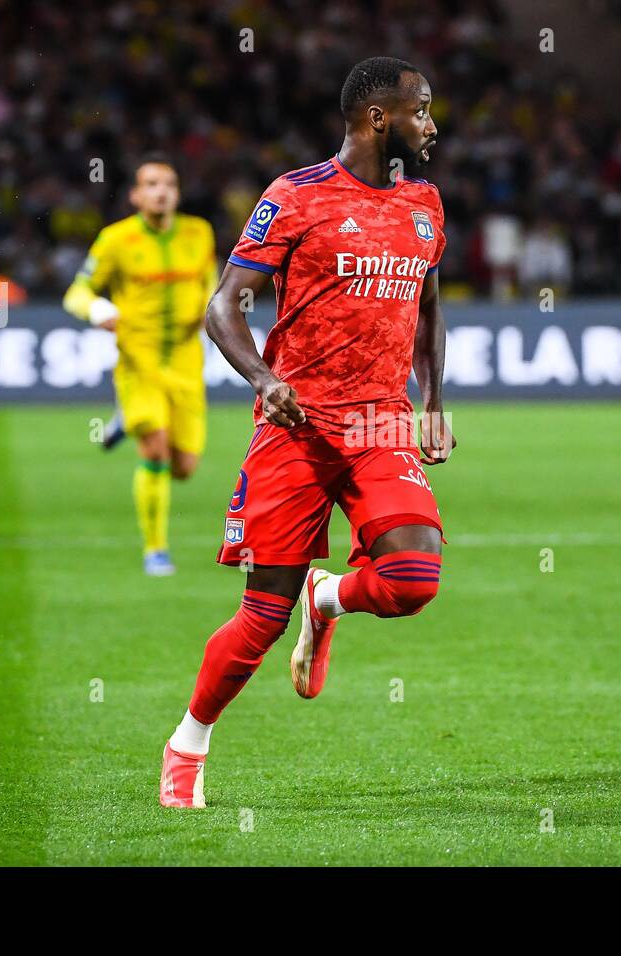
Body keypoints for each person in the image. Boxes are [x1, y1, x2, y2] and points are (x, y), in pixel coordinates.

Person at [159, 57, 454, 808]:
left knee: (415, 578)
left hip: (381, 420)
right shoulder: (296, 196)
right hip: (297, 425)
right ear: (377, 118)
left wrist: (435, 399)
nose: (432, 123)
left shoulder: (426, 205)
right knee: (261, 619)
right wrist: (264, 379)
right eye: (421, 110)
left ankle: (329, 603)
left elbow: (427, 310)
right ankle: (189, 742)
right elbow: (224, 306)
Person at [63, 157, 217, 574]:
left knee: (184, 467)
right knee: (156, 450)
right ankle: (155, 549)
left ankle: (120, 420)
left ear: (178, 193)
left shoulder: (198, 234)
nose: (160, 191)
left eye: (168, 183)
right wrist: (97, 310)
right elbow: (76, 291)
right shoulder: (116, 240)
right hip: (138, 361)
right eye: (151, 184)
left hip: (186, 363)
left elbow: (211, 283)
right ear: (135, 195)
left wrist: (209, 309)